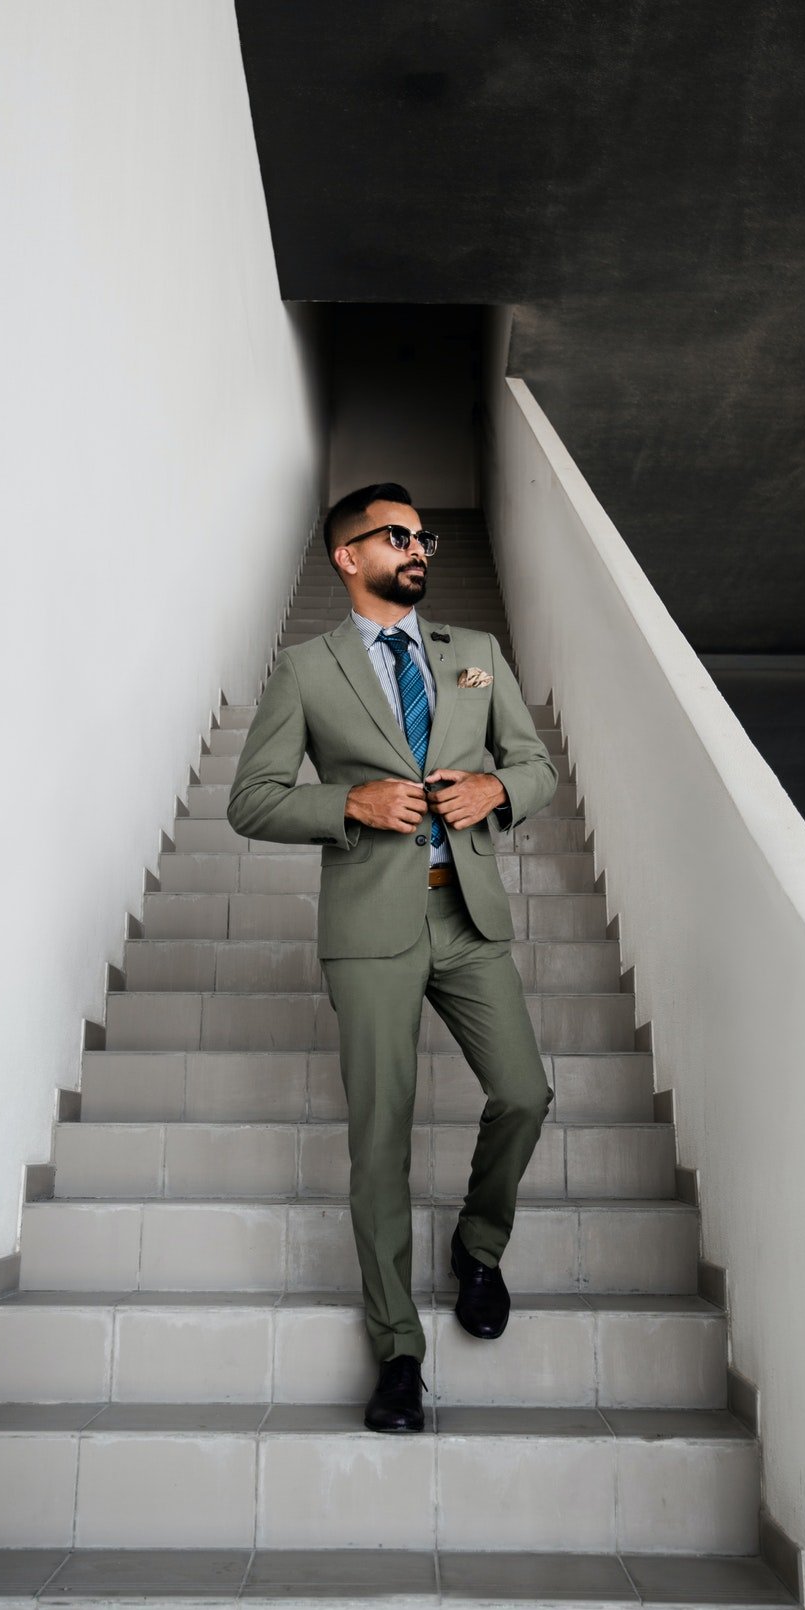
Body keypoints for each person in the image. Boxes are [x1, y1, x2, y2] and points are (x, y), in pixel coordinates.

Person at [227, 483, 559, 1431]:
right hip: (372, 929)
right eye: (399, 535)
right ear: (348, 555)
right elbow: (251, 799)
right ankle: (398, 1351)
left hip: (469, 918)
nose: (419, 548)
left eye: (426, 534)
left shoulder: (476, 656)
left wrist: (495, 786)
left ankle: (478, 1244)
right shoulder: (306, 669)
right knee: (381, 1139)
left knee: (526, 1094)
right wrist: (349, 806)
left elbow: (535, 764)